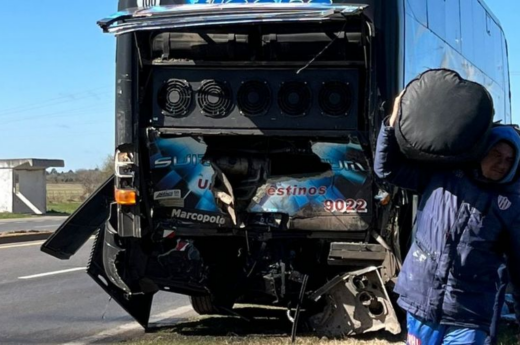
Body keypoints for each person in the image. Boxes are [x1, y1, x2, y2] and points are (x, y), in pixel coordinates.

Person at [374, 92, 520, 344]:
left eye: (509, 160)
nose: (502, 164)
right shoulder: (442, 177)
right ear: (482, 150)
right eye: (496, 154)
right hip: (423, 302)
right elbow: (387, 168)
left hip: (471, 313)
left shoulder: (509, 205)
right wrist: (390, 125)